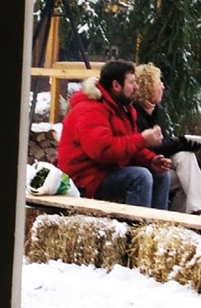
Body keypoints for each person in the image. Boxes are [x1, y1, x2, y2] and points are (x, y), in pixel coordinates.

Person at [57, 59, 172, 209]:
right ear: (116, 85)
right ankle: (136, 228)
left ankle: (157, 229)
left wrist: (150, 160)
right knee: (140, 177)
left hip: (106, 170)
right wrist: (142, 139)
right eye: (132, 83)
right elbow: (103, 150)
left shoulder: (121, 107)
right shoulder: (89, 109)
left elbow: (126, 143)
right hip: (85, 179)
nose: (136, 87)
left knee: (161, 175)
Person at [134, 63, 201, 216]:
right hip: (145, 168)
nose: (163, 87)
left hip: (159, 165)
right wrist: (178, 144)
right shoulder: (134, 112)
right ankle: (197, 212)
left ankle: (195, 211)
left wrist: (181, 145)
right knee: (188, 180)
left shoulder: (157, 111)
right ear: (148, 86)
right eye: (159, 83)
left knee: (186, 157)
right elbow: (152, 146)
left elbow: (162, 144)